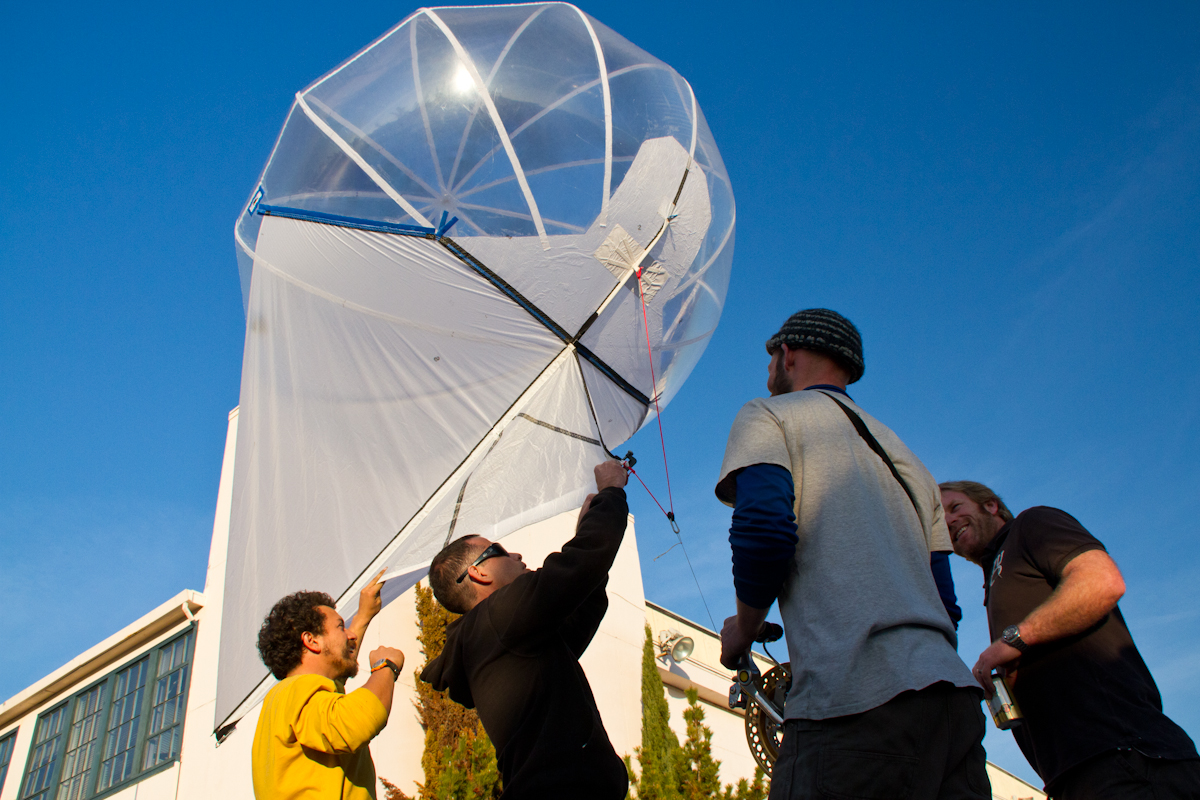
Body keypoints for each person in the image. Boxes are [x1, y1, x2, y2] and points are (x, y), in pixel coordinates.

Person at [716, 308, 988, 799]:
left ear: (788, 353)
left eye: (772, 356)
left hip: (850, 705)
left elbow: (764, 530)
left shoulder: (769, 414)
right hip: (954, 708)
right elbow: (944, 603)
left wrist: (746, 626)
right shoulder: (911, 461)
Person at [940, 480, 1200, 799]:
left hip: (1125, 759)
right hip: (1073, 776)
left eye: (955, 507)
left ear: (990, 505)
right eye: (940, 518)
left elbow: (1101, 581)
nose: (948, 521)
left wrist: (1014, 639)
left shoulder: (1031, 524)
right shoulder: (992, 579)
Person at [421, 460, 629, 800]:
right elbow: (580, 566)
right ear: (478, 574)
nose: (516, 554)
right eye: (498, 551)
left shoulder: (501, 640)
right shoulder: (496, 618)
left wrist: (586, 534)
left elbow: (580, 606)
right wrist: (610, 491)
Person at [252, 570, 405, 800]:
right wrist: (386, 667)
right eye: (340, 627)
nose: (350, 635)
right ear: (311, 641)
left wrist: (364, 616)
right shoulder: (296, 689)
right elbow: (353, 723)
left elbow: (338, 670)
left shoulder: (291, 699)